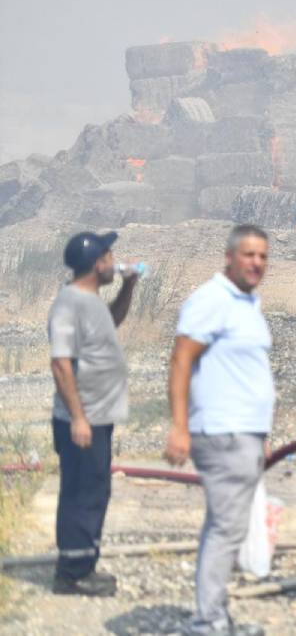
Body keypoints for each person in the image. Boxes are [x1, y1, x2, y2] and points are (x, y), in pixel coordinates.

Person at [164, 224, 275, 636]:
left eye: (263, 256)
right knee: (227, 528)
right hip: (222, 432)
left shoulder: (246, 303)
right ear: (229, 257)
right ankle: (208, 622)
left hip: (243, 434)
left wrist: (260, 438)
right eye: (249, 254)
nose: (257, 263)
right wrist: (179, 426)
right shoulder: (211, 300)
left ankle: (216, 618)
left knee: (227, 526)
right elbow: (181, 360)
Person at [47, 231, 139, 596]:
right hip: (81, 420)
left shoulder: (92, 301)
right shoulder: (69, 304)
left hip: (98, 417)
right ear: (96, 263)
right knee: (81, 494)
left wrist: (129, 287)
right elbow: (60, 364)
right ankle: (72, 573)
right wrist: (79, 418)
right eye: (110, 257)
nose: (114, 262)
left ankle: (84, 564)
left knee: (95, 491)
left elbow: (111, 323)